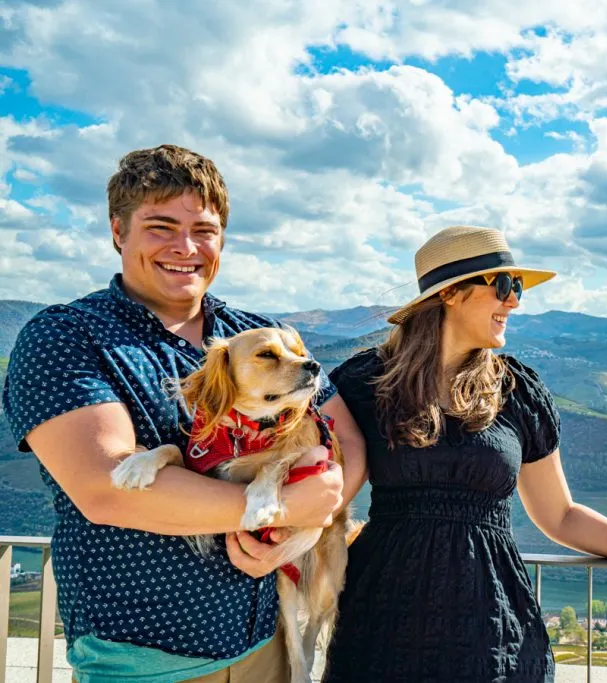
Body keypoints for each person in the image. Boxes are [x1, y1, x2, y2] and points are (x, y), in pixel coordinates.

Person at [314, 225, 607, 682]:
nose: (514, 301)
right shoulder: (364, 383)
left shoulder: (518, 392)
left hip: (490, 622)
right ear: (452, 293)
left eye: (516, 288)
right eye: (503, 285)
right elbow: (312, 472)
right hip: (381, 616)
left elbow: (562, 516)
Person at [2, 145, 351, 683]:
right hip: (147, 659)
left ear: (222, 240)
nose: (185, 247)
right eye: (161, 226)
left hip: (267, 646)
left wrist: (308, 520)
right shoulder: (67, 338)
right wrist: (283, 507)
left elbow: (343, 436)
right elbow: (106, 487)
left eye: (204, 231)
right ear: (118, 232)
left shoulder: (261, 333)